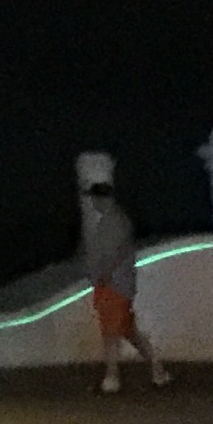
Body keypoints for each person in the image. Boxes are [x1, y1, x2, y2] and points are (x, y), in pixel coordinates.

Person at [75, 152, 169, 394]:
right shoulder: (110, 221)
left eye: (94, 198)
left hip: (114, 285)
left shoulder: (114, 221)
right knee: (129, 331)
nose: (92, 202)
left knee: (111, 333)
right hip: (114, 284)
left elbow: (113, 254)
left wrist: (103, 275)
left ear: (101, 199)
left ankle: (112, 378)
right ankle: (158, 371)